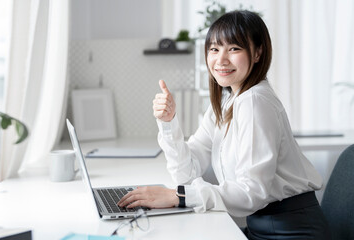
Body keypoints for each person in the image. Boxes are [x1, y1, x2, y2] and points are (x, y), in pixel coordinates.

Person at [118, 10, 331, 239]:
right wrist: (168, 123)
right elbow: (186, 174)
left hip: (292, 231)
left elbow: (252, 192)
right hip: (265, 226)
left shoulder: (255, 101)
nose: (221, 60)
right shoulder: (228, 101)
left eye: (234, 49)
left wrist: (177, 197)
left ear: (258, 52)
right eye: (214, 49)